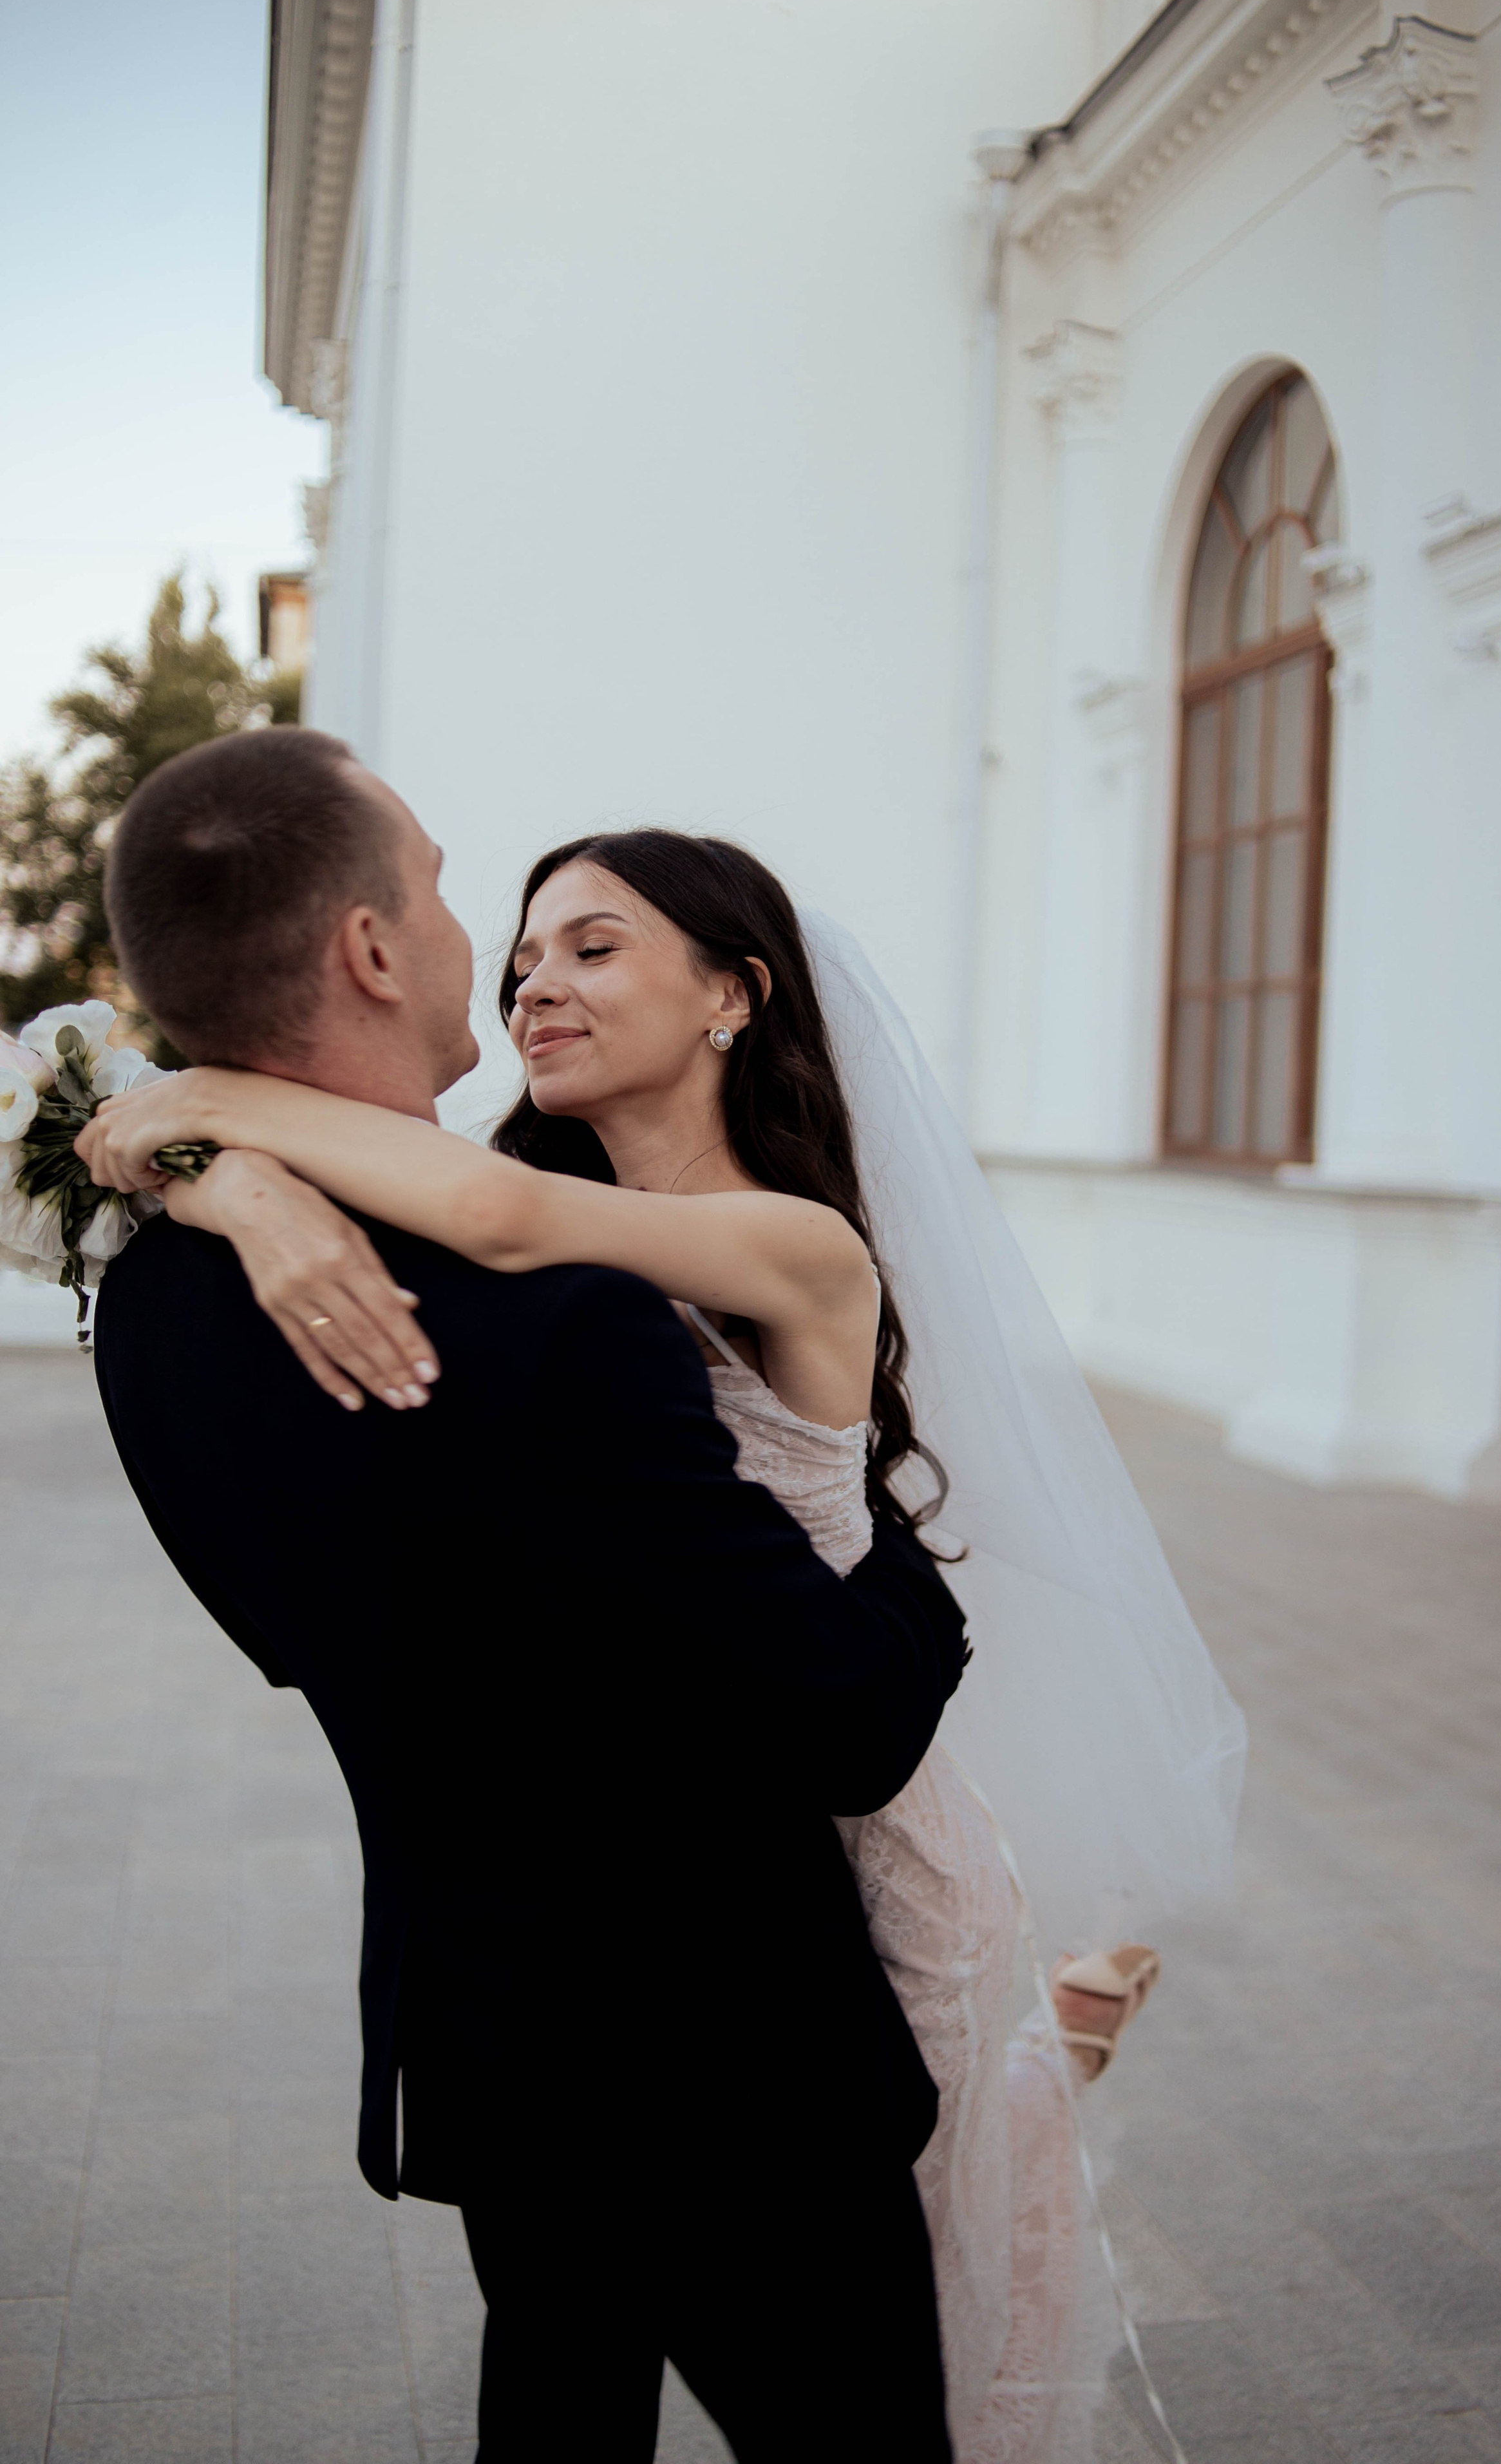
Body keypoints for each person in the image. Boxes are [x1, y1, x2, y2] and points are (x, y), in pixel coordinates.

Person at [84, 780, 1245, 2459]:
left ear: (734, 992)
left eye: (593, 942)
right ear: (366, 945)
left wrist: (205, 1135)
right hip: (738, 2019)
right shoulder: (565, 1321)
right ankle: (1047, 2053)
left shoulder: (155, 1304)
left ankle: (1038, 2055)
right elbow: (850, 1710)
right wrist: (226, 1156)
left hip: (504, 2009)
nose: (517, 968)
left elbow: (306, 1605)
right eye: (482, 915)